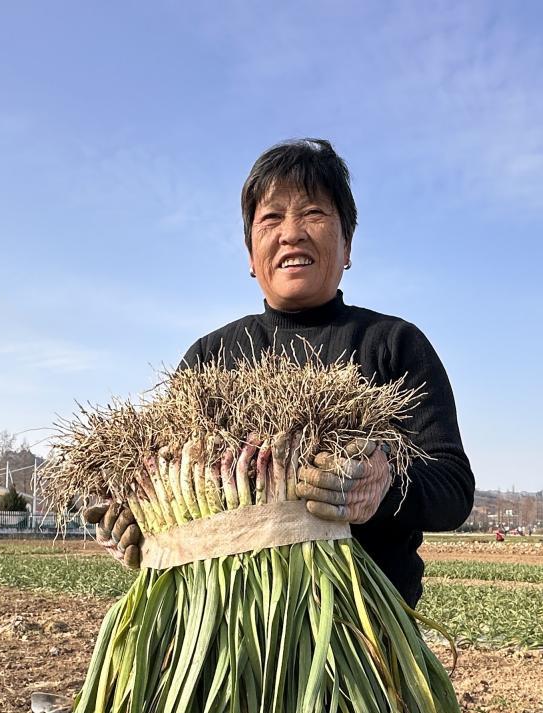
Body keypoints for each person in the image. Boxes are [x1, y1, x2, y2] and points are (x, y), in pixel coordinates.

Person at [85, 138, 475, 609]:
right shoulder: (208, 358)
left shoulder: (393, 344)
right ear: (251, 256)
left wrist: (383, 481)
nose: (291, 233)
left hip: (361, 635)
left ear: (347, 245)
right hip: (218, 631)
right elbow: (166, 476)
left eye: (313, 213)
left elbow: (452, 487)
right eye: (271, 218)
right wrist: (138, 519)